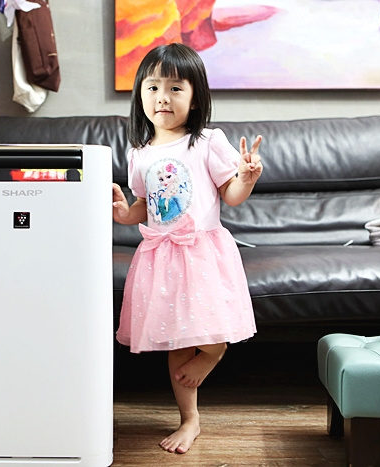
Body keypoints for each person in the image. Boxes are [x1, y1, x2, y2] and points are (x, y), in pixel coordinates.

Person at [112, 42, 263, 454]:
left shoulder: (207, 141)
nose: (163, 97)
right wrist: (124, 213)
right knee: (177, 340)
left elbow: (231, 195)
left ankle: (213, 354)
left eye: (175, 88)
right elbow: (144, 206)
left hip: (202, 252)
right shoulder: (139, 154)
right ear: (140, 95)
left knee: (211, 332)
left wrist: (246, 177)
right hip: (161, 255)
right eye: (153, 87)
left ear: (195, 99)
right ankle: (189, 419)